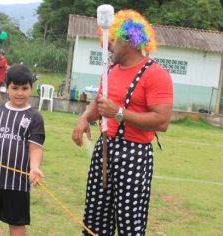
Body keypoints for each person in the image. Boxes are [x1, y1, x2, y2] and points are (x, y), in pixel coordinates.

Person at [72, 9, 173, 236]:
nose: (107, 46)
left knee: (130, 225)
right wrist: (85, 117)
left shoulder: (155, 74)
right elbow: (98, 104)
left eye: (112, 40)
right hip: (105, 148)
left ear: (129, 41)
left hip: (135, 155)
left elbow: (162, 121)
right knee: (95, 220)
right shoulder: (109, 71)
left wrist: (118, 113)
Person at [0, 64, 45, 236]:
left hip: (17, 183)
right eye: (15, 88)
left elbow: (35, 147)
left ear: (31, 89)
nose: (19, 93)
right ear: (7, 87)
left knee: (17, 222)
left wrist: (35, 167)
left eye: (24, 88)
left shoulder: (34, 117)